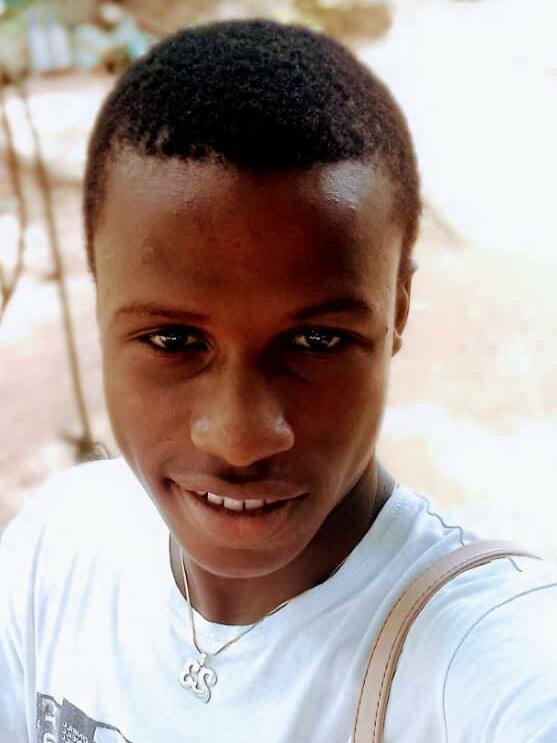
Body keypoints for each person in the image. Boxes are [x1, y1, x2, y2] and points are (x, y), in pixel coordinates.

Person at [1, 19, 556, 743]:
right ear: (100, 298)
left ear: (397, 309)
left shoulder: (480, 659)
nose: (239, 437)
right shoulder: (57, 548)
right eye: (173, 341)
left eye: (317, 341)